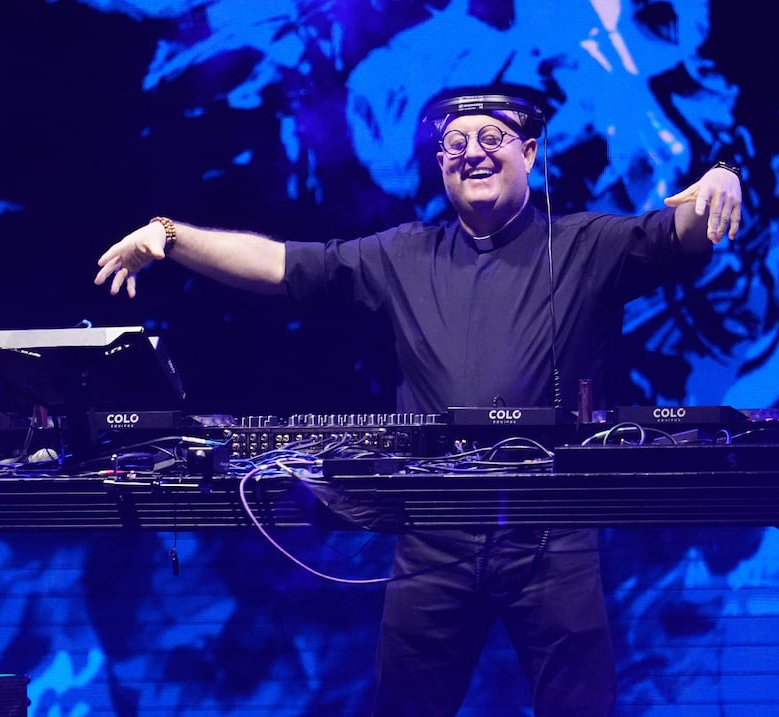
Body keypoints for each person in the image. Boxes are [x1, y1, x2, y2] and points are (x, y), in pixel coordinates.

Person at [94, 84, 741, 717]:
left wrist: (721, 178)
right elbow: (282, 265)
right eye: (455, 142)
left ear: (531, 155)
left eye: (493, 137)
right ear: (440, 167)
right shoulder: (404, 252)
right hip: (435, 528)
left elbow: (678, 232)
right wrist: (169, 235)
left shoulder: (585, 244)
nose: (473, 152)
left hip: (550, 526)